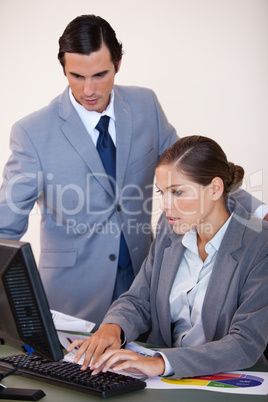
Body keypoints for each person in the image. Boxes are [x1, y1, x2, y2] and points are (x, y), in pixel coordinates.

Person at [0, 15, 267, 328]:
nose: (88, 89)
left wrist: (258, 212)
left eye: (100, 75)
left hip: (145, 288)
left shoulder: (145, 105)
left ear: (118, 64)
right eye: (76, 76)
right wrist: (19, 311)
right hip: (72, 303)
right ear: (63, 69)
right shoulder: (32, 133)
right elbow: (5, 229)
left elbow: (194, 171)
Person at [68, 136, 268, 378]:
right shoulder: (170, 227)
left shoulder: (259, 244)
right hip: (164, 383)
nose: (165, 205)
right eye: (162, 192)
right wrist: (113, 328)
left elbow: (245, 343)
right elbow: (139, 299)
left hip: (229, 382)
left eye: (178, 192)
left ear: (215, 189)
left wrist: (162, 363)